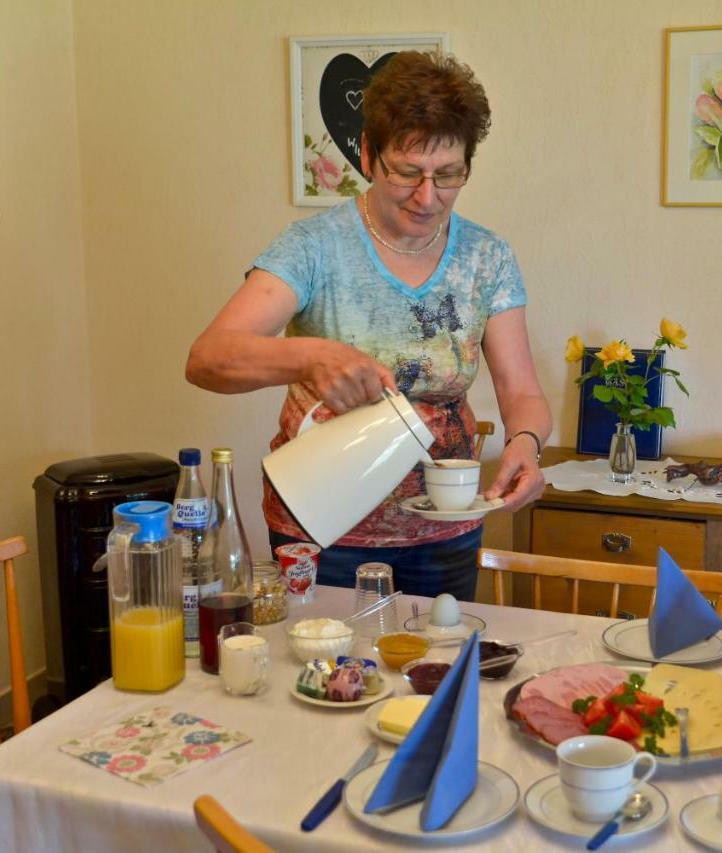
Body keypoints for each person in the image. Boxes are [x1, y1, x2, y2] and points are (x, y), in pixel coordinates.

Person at [186, 51, 551, 601]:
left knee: (435, 676)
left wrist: (526, 443)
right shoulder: (314, 247)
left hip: (445, 528)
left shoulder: (487, 257)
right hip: (322, 524)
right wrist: (310, 357)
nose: (428, 197)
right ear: (367, 154)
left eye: (448, 176)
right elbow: (207, 359)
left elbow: (522, 391)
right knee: (321, 677)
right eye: (407, 173)